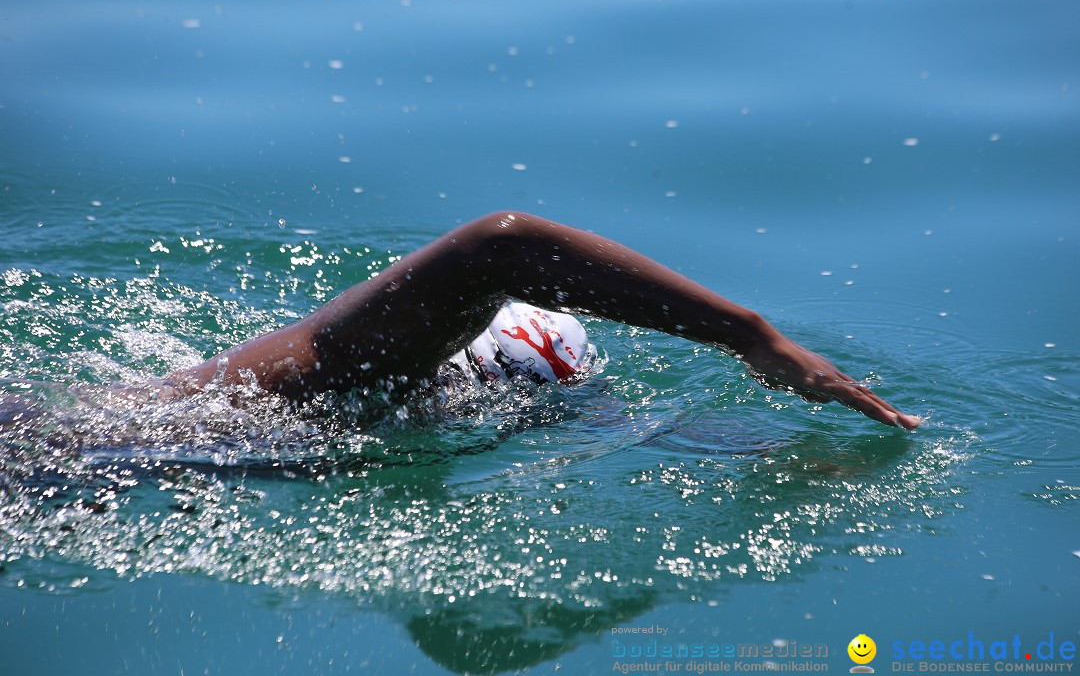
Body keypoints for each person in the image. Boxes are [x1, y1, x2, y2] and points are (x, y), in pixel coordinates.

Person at [166, 211, 920, 429]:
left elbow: (617, 427)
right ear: (465, 354)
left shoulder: (387, 405)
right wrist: (750, 334)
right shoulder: (364, 365)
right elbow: (505, 242)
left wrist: (769, 459)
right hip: (67, 452)